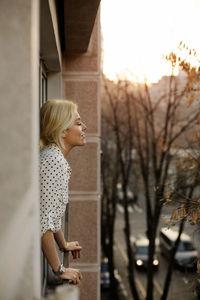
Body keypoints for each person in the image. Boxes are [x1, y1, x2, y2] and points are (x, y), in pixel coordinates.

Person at [40, 99, 87, 285]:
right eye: (78, 123)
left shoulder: (54, 157)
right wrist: (60, 269)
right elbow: (43, 221)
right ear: (62, 130)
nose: (85, 127)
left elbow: (51, 213)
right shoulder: (53, 161)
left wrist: (63, 244)